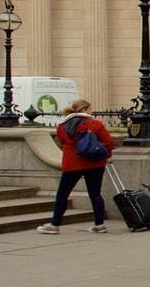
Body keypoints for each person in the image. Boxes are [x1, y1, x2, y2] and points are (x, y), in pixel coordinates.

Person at [38, 100, 113, 234]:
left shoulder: (62, 126)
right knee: (95, 194)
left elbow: (63, 143)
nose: (92, 111)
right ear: (84, 109)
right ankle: (99, 224)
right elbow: (109, 142)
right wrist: (107, 155)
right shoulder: (95, 124)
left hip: (72, 163)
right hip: (95, 163)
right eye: (90, 108)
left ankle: (55, 224)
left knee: (63, 194)